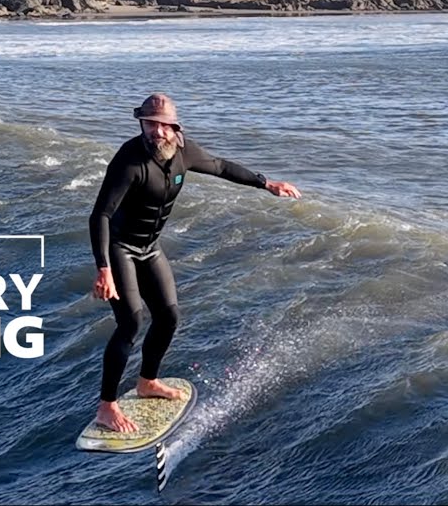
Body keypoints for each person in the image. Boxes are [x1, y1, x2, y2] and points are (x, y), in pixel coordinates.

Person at [89, 93, 302, 432]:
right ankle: (107, 406)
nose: (156, 132)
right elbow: (100, 214)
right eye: (150, 124)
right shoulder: (129, 160)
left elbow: (220, 167)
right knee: (130, 322)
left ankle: (147, 382)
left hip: (150, 247)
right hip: (120, 248)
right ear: (142, 124)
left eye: (163, 125)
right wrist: (104, 269)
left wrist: (266, 183)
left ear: (175, 127)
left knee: (169, 316)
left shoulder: (183, 151)